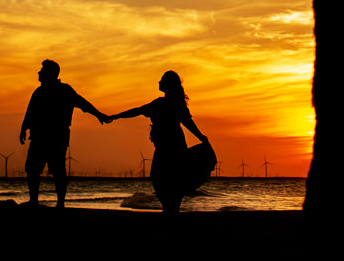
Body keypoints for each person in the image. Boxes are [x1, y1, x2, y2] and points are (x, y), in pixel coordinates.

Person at [110, 70, 210, 213]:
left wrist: (201, 137)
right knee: (167, 179)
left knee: (164, 178)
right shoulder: (164, 103)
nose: (159, 82)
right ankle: (170, 210)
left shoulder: (166, 104)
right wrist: (117, 116)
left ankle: (170, 210)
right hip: (171, 146)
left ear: (168, 84)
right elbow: (138, 111)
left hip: (171, 147)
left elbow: (187, 122)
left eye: (162, 80)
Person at [19, 59, 110, 207]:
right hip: (38, 136)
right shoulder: (38, 92)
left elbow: (83, 104)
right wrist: (24, 128)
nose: (39, 73)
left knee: (58, 170)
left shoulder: (65, 90)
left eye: (42, 71)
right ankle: (34, 201)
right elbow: (30, 112)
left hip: (57, 136)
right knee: (32, 169)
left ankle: (60, 203)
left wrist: (99, 115)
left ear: (50, 73)